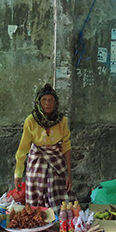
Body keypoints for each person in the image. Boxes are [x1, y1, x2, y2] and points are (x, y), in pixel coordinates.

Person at [14, 83, 72, 211]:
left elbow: (66, 147)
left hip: (56, 165)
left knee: (58, 200)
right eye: (44, 100)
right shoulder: (31, 121)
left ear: (56, 103)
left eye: (51, 100)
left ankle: (57, 224)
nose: (47, 103)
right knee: (35, 201)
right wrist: (18, 174)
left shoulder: (62, 121)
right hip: (36, 164)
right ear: (38, 102)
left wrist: (69, 174)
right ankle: (37, 226)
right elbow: (23, 149)